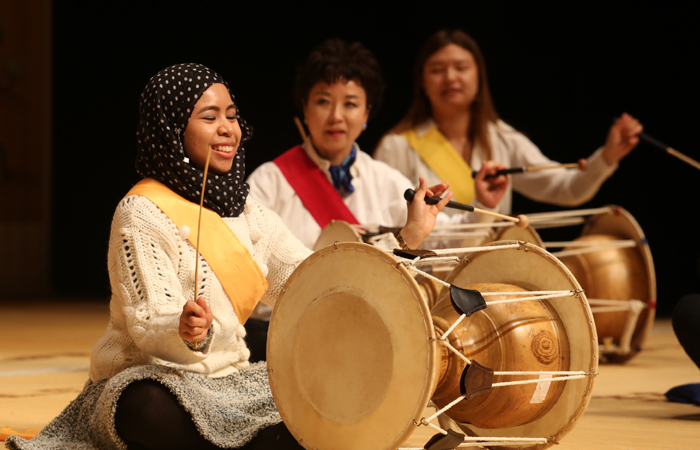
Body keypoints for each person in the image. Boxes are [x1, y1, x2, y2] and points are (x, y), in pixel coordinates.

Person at [5, 63, 448, 450]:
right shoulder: (140, 212)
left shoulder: (249, 211)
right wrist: (185, 328)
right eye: (209, 117)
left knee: (316, 398)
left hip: (230, 382)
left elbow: (316, 277)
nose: (228, 129)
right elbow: (147, 322)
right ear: (172, 126)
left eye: (232, 117)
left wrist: (405, 238)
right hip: (154, 376)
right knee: (146, 408)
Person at [245, 39, 508, 361]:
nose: (336, 116)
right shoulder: (267, 181)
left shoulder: (385, 179)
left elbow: (445, 239)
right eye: (324, 101)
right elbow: (248, 274)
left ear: (367, 112)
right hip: (288, 336)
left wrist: (484, 203)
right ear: (304, 106)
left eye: (351, 104)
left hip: (368, 334)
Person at [374, 29, 644, 216]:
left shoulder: (502, 138)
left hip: (495, 277)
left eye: (461, 67)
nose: (450, 77)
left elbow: (567, 188)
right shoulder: (397, 146)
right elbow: (387, 219)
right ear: (422, 82)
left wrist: (608, 156)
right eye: (437, 70)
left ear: (479, 77)